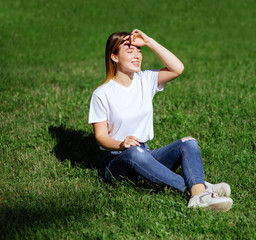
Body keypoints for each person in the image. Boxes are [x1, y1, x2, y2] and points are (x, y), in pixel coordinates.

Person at [88, 29, 233, 211]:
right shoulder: (102, 94)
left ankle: (198, 195)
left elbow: (177, 68)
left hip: (145, 154)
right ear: (114, 57)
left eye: (139, 51)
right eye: (130, 50)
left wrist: (149, 41)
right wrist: (121, 144)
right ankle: (200, 187)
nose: (137, 55)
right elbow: (100, 137)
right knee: (133, 152)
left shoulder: (145, 80)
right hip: (117, 162)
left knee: (188, 143)